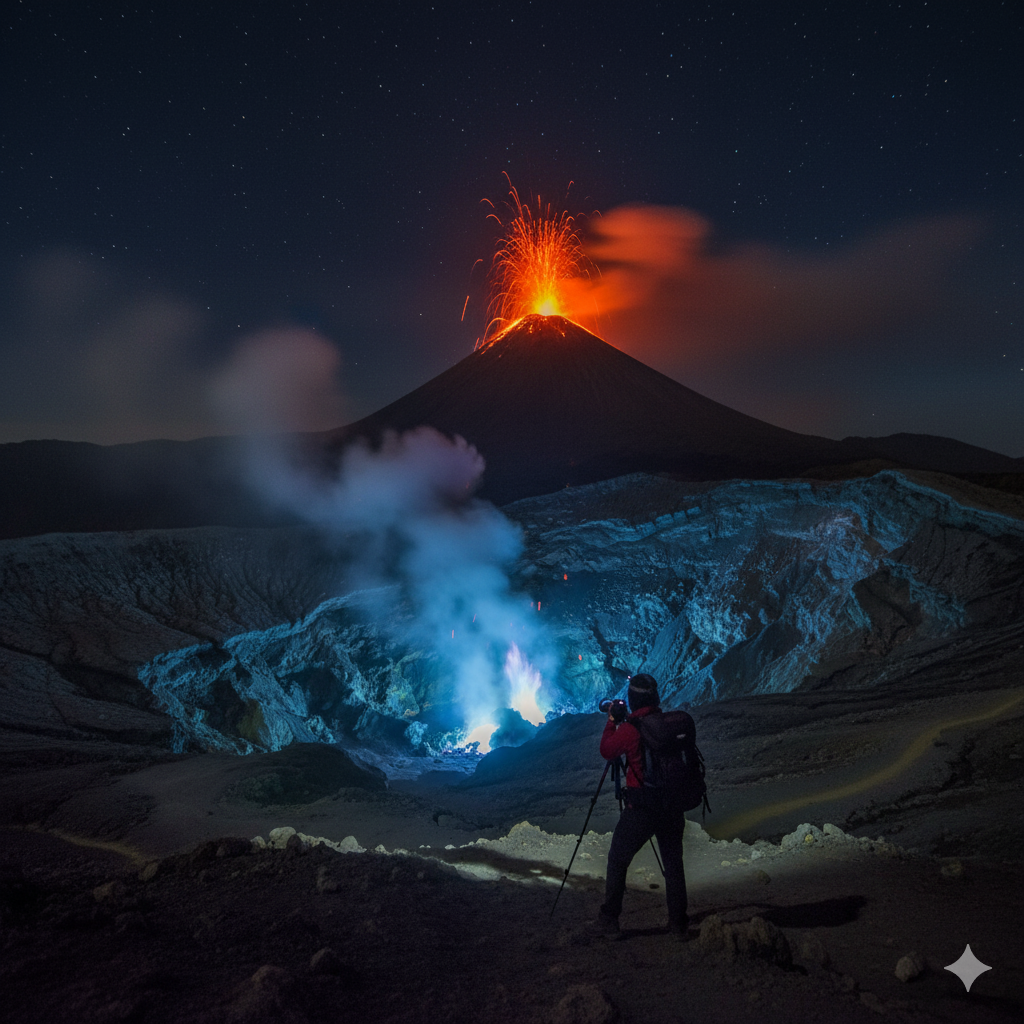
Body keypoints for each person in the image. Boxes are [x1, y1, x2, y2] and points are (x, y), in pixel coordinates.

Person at [597, 673, 689, 939]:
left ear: (632, 699)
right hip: (672, 805)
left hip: (643, 808)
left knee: (617, 859)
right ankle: (678, 924)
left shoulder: (631, 730)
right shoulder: (666, 725)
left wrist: (612, 721)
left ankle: (609, 920)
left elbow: (607, 750)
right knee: (673, 864)